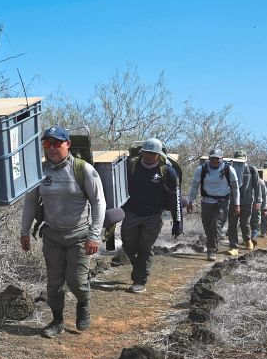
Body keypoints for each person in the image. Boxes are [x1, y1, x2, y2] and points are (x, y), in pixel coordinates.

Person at [19, 126, 106, 337]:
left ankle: (83, 302)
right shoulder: (40, 172)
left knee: (76, 280)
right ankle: (57, 321)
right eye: (47, 144)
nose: (51, 148)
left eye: (56, 143)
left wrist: (94, 235)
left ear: (67, 144)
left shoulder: (83, 169)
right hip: (52, 236)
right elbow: (30, 203)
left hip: (79, 235)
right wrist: (24, 231)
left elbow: (99, 203)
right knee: (54, 282)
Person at [119, 138, 183, 294]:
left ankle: (140, 280)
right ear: (142, 152)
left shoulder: (168, 171)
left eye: (152, 153)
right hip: (131, 213)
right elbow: (117, 189)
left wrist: (177, 221)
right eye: (146, 152)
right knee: (128, 245)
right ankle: (138, 264)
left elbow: (176, 197)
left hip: (153, 216)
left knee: (145, 247)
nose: (148, 156)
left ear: (159, 154)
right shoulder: (131, 166)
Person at [185, 149, 239, 260]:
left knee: (216, 225)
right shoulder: (202, 169)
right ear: (209, 158)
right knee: (207, 225)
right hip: (206, 201)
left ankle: (212, 250)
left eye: (217, 158)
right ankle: (212, 242)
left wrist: (237, 204)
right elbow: (195, 186)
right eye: (213, 158)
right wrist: (190, 201)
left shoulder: (229, 170)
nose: (215, 160)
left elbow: (235, 188)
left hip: (222, 202)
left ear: (222, 159)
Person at [228, 151, 261, 251]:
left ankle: (247, 240)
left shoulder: (252, 170)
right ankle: (233, 246)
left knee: (245, 224)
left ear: (245, 159)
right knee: (232, 224)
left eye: (241, 159)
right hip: (233, 201)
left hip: (247, 201)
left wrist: (258, 201)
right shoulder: (229, 169)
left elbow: (257, 186)